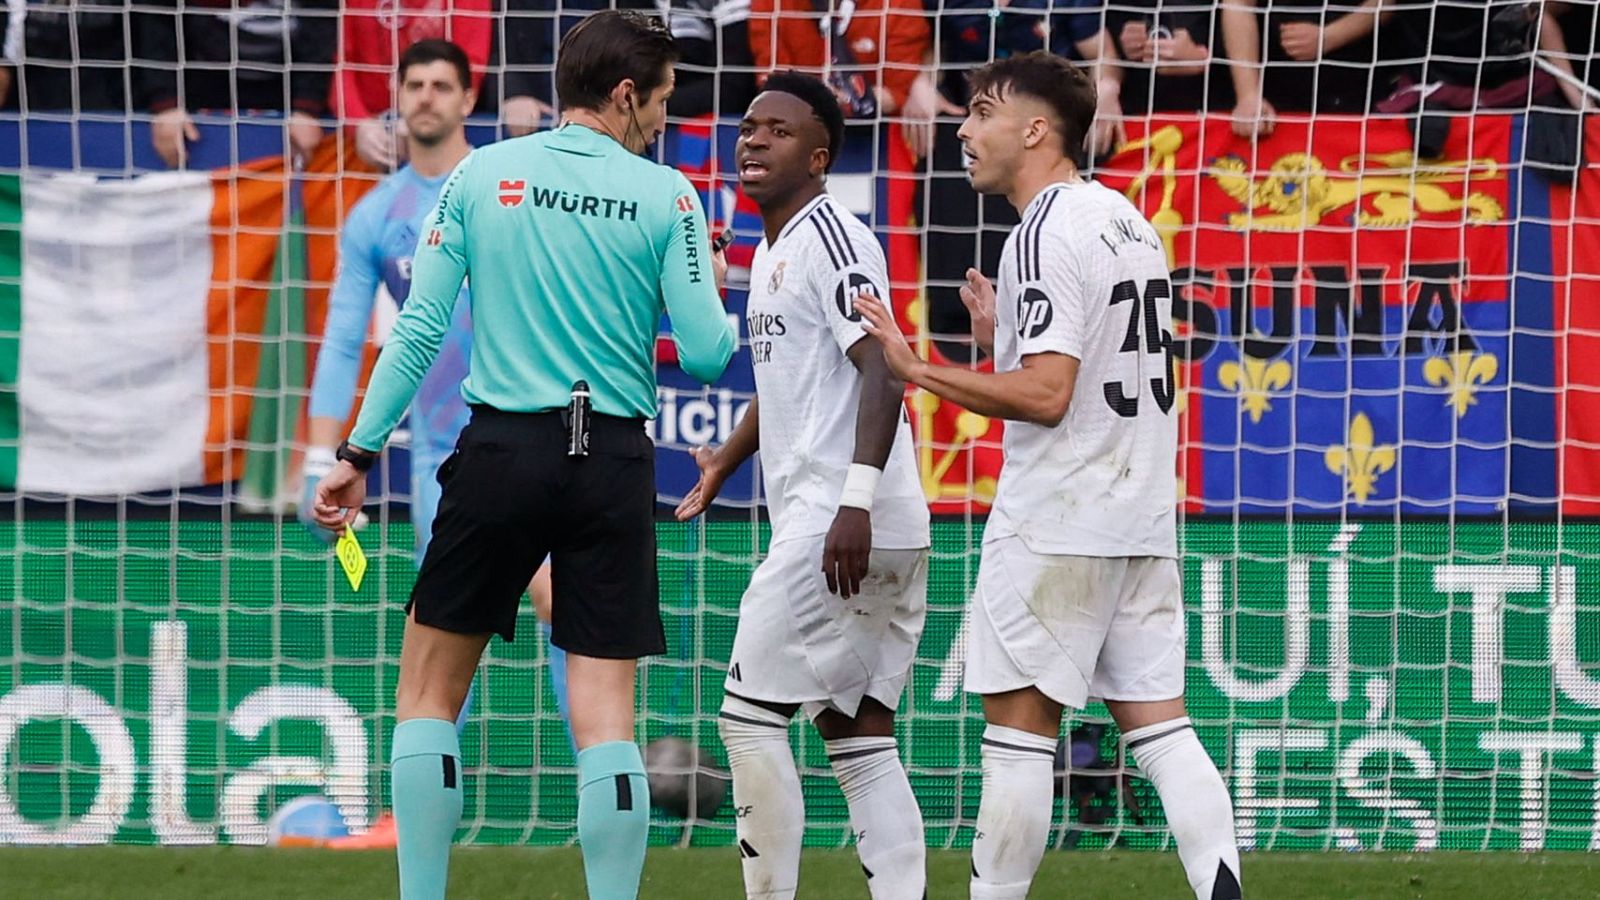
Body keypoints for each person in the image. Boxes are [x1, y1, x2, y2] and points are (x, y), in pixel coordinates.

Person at [311, 10, 736, 899]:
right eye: (662, 100)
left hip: (501, 448)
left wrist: (356, 452)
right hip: (613, 458)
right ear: (626, 94)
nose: (664, 119)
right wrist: (706, 280)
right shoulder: (668, 195)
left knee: (427, 698)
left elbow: (418, 330)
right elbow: (705, 354)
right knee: (607, 722)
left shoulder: (483, 173)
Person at [854, 51, 1243, 900]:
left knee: (1018, 744)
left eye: (982, 112)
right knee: (1165, 734)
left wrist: (914, 367)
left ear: (1035, 130)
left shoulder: (1038, 231)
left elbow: (1047, 395)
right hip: (1139, 517)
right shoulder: (1125, 220)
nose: (963, 130)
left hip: (1057, 521)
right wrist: (1003, 337)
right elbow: (1083, 362)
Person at [299, 38, 569, 847]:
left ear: (467, 96)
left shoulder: (508, 185)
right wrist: (320, 459)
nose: (425, 96)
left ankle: (610, 795)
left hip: (533, 432)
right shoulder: (375, 215)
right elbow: (344, 341)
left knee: (563, 603)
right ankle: (415, 817)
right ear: (398, 96)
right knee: (442, 625)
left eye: (441, 84)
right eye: (412, 83)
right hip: (437, 456)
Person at [676, 71, 930, 900]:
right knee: (859, 737)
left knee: (747, 720)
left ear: (819, 157)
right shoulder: (774, 249)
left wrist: (854, 501)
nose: (753, 139)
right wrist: (728, 458)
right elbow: (791, 377)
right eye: (749, 127)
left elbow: (883, 369)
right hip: (862, 520)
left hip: (840, 520)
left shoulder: (834, 238)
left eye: (778, 131)